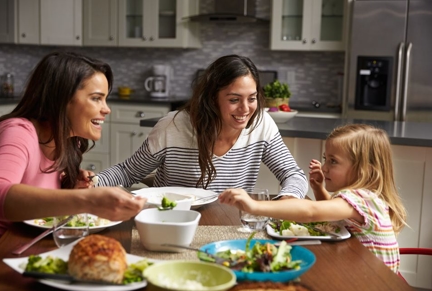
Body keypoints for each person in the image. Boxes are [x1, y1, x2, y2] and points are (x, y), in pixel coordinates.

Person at [0, 51, 146, 262]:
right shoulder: (18, 132)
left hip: (25, 248)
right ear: (62, 100)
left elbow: (38, 197)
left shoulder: (69, 139)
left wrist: (69, 185)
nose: (107, 109)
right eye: (96, 98)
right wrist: (86, 201)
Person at [97, 54, 308, 199]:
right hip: (172, 220)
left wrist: (287, 197)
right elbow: (127, 172)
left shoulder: (262, 125)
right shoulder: (173, 127)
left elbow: (293, 174)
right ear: (211, 99)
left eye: (252, 98)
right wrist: (91, 183)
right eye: (234, 99)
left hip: (231, 224)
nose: (245, 109)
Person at [219, 124, 408, 273]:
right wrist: (318, 188)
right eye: (326, 158)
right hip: (359, 270)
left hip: (374, 284)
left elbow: (312, 212)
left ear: (364, 170)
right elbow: (332, 214)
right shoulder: (363, 197)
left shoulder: (362, 198)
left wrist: (254, 206)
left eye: (333, 161)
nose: (324, 167)